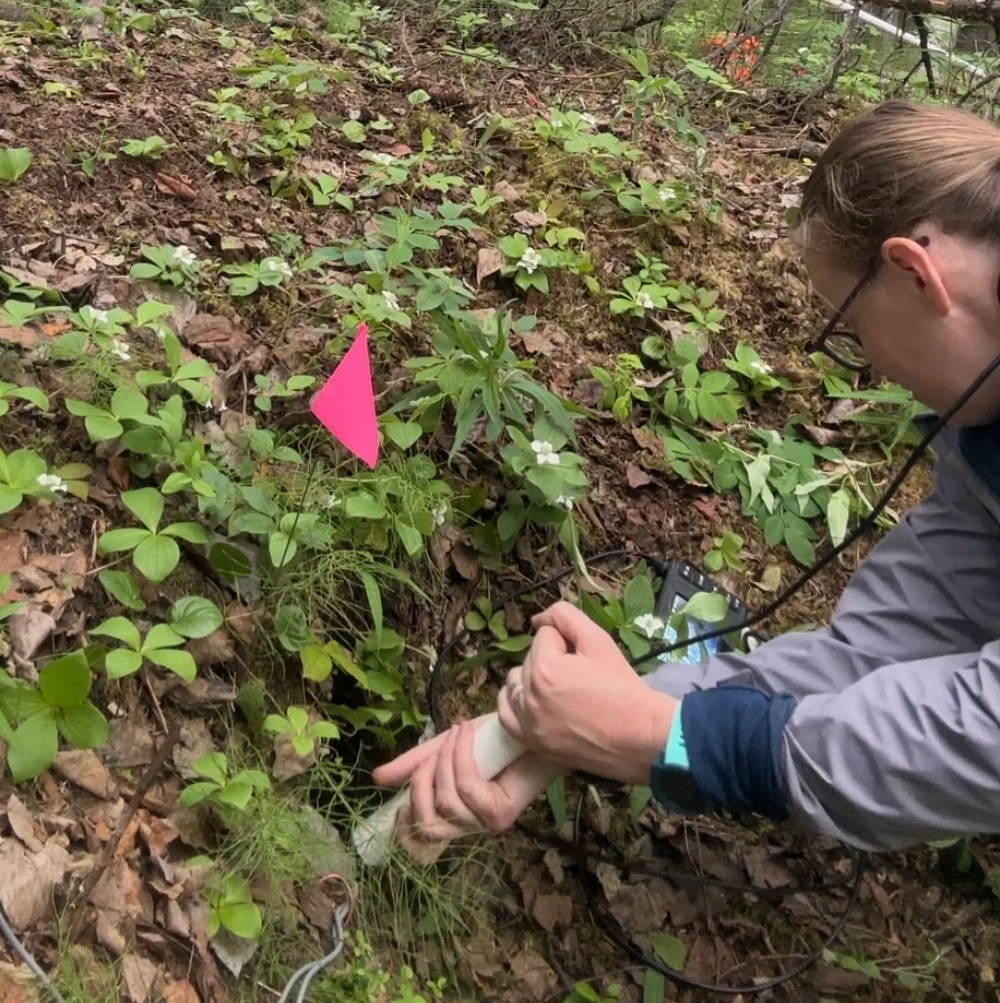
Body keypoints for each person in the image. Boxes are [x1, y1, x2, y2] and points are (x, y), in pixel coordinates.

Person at [373, 99, 1000, 855]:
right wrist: (570, 726)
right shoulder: (981, 434)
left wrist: (658, 736)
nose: (871, 370)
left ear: (913, 271)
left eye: (852, 331)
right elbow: (879, 650)